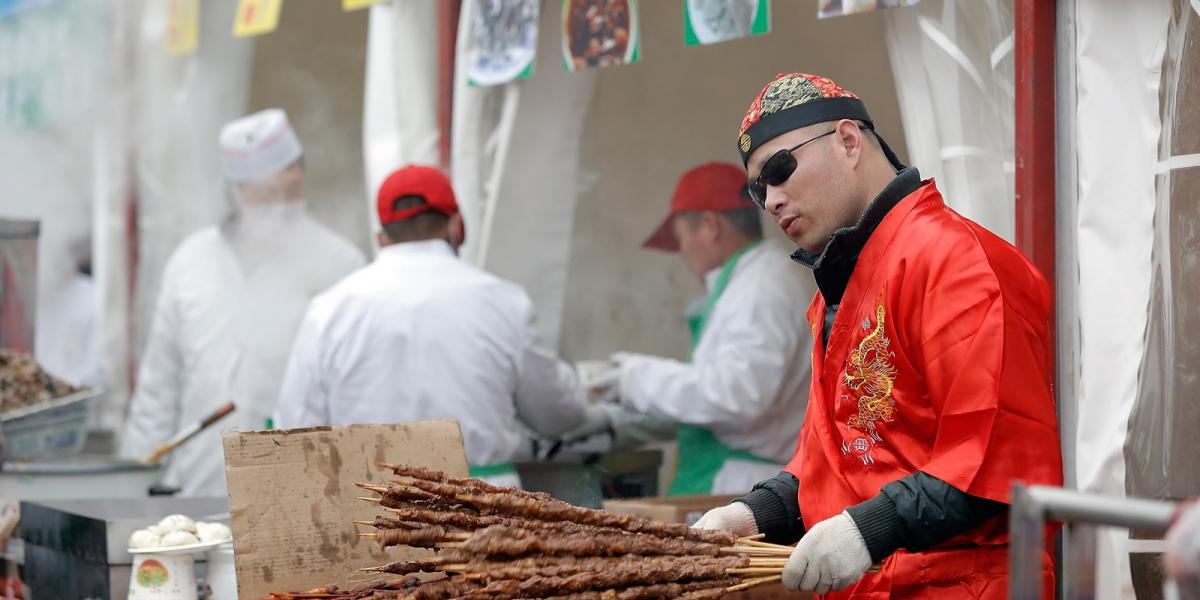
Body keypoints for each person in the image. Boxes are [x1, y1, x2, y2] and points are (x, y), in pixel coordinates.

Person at [692, 73, 1063, 598]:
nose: (772, 199)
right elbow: (836, 461)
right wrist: (751, 514)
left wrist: (867, 528)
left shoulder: (956, 262)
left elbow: (999, 462)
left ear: (848, 141)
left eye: (780, 169)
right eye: (758, 188)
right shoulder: (837, 290)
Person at [275, 165, 588, 488]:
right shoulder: (504, 302)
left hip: (372, 517)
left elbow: (296, 432)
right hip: (487, 518)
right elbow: (558, 415)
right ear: (455, 225)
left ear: (381, 237)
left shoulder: (328, 311)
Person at [121, 109, 365, 497]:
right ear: (235, 192)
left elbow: (357, 395)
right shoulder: (191, 262)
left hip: (302, 492)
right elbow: (158, 390)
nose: (283, 204)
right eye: (268, 194)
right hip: (197, 489)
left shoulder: (340, 263)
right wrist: (130, 487)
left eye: (292, 189)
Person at [577, 162, 815, 496]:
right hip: (741, 475)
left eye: (680, 239)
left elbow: (738, 392)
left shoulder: (761, 286)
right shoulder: (751, 279)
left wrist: (634, 378)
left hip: (746, 482)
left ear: (709, 225)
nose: (683, 255)